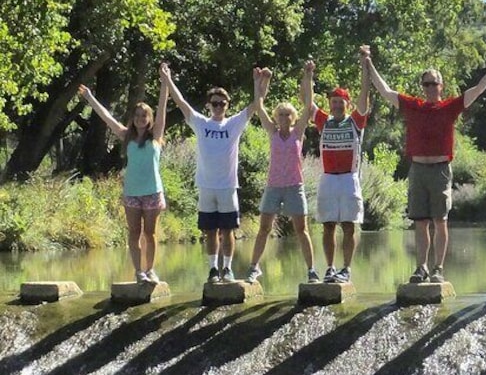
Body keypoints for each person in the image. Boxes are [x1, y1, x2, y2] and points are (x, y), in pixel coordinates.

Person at [366, 51, 486, 283]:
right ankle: (421, 267)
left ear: (441, 86)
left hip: (441, 169)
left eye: (434, 83)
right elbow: (385, 90)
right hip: (418, 169)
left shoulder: (449, 107)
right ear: (422, 87)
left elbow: (479, 89)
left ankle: (438, 268)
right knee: (420, 221)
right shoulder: (413, 106)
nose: (430, 87)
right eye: (426, 84)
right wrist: (368, 63)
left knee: (440, 220)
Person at [160, 63, 259, 284]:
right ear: (209, 106)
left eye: (222, 103)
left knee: (228, 229)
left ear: (227, 105)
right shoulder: (201, 123)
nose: (218, 107)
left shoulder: (233, 124)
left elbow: (255, 106)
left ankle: (228, 269)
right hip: (206, 186)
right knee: (210, 231)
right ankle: (213, 269)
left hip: (227, 187)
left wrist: (257, 83)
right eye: (215, 103)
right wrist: (167, 79)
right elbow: (181, 103)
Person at [77, 64, 168, 284]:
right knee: (134, 233)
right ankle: (139, 272)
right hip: (132, 193)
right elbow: (106, 117)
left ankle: (151, 270)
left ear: (149, 118)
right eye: (137, 115)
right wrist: (90, 97)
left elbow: (163, 106)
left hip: (153, 192)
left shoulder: (155, 136)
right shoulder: (126, 135)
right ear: (133, 118)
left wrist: (165, 82)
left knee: (151, 234)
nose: (140, 118)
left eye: (144, 115)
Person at [244, 67, 320, 285]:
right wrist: (257, 82)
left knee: (301, 230)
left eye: (288, 114)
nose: (284, 117)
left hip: (295, 186)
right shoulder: (272, 131)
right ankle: (253, 267)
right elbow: (258, 106)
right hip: (274, 186)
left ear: (294, 117)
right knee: (264, 229)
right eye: (281, 114)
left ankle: (312, 271)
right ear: (276, 117)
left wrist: (308, 77)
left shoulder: (299, 132)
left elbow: (308, 105)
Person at [305, 46, 371, 284]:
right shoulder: (323, 121)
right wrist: (308, 75)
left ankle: (346, 269)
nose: (336, 106)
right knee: (328, 225)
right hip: (328, 178)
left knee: (349, 225)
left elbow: (364, 94)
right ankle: (330, 269)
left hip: (349, 178)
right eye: (333, 102)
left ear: (346, 103)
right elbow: (307, 102)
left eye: (340, 102)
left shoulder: (355, 120)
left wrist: (365, 64)